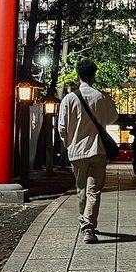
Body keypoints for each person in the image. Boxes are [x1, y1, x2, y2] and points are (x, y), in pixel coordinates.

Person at [57, 59, 119, 243]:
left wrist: (69, 143)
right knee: (94, 191)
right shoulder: (101, 97)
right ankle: (88, 227)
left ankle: (84, 223)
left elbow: (62, 128)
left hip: (76, 151)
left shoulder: (68, 99)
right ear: (94, 76)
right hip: (97, 149)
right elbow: (112, 118)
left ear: (78, 75)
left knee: (81, 189)